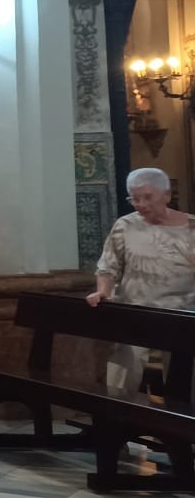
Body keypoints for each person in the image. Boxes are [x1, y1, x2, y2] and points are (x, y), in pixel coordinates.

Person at [89, 167, 195, 410]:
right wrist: (103, 291)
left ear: (167, 195)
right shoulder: (125, 226)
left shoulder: (191, 227)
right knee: (125, 379)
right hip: (135, 317)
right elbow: (108, 266)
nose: (141, 204)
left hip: (182, 319)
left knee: (183, 385)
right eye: (135, 199)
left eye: (147, 197)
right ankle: (119, 424)